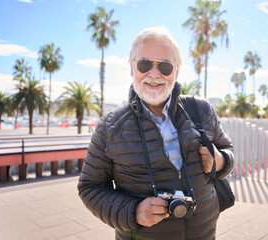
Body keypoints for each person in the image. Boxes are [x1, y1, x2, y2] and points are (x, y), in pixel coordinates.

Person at [77, 26, 234, 240]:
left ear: (176, 71)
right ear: (132, 67)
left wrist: (220, 160)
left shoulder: (201, 110)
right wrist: (133, 212)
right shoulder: (109, 127)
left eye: (165, 66)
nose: (154, 74)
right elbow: (90, 187)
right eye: (144, 64)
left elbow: (227, 152)